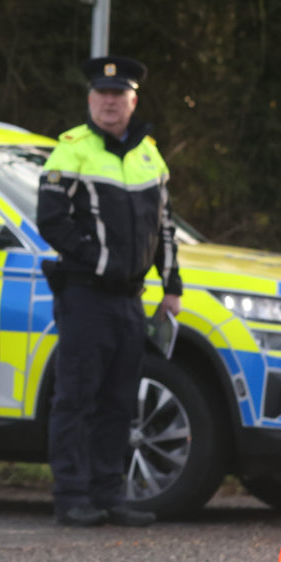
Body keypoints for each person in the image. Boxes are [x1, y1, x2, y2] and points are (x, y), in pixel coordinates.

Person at [37, 55, 182, 528]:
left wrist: (171, 286)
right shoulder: (71, 151)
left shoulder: (149, 154)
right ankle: (72, 496)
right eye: (101, 95)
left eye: (117, 95)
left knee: (120, 400)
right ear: (89, 99)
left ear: (133, 100)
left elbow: (165, 226)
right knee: (76, 397)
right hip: (85, 296)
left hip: (130, 300)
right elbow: (51, 220)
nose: (108, 103)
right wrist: (98, 261)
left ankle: (109, 494)